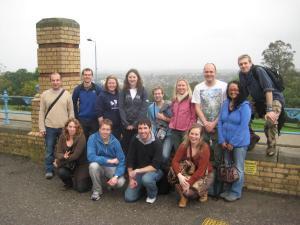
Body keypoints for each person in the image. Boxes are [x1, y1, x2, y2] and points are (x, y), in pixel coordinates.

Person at [238, 54, 285, 156]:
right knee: (241, 114)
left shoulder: (258, 71)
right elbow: (244, 93)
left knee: (270, 120)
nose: (243, 66)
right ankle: (252, 137)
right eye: (241, 64)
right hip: (258, 100)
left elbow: (268, 90)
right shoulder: (241, 75)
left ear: (250, 63)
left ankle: (271, 145)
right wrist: (239, 105)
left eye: (245, 63)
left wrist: (269, 110)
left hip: (274, 98)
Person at [191, 63, 227, 197]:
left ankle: (216, 188)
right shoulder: (198, 87)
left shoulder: (223, 86)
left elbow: (224, 107)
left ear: (215, 72)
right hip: (202, 127)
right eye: (206, 71)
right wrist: (206, 123)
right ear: (203, 72)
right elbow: (197, 107)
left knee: (218, 157)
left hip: (219, 127)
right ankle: (202, 184)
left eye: (211, 71)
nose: (209, 74)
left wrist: (214, 123)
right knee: (201, 156)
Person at [217, 80, 251, 202]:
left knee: (238, 168)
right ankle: (228, 189)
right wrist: (222, 140)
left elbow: (243, 126)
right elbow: (220, 122)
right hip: (225, 142)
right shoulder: (225, 103)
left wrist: (233, 143)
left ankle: (236, 192)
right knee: (227, 167)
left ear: (240, 91)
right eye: (231, 89)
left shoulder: (245, 106)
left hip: (239, 143)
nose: (233, 91)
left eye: (236, 89)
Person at [39, 72, 74, 179]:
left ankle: (65, 168)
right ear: (50, 81)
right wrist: (41, 127)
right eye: (53, 80)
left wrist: (71, 127)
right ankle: (49, 169)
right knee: (49, 150)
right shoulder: (44, 95)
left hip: (64, 128)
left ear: (60, 81)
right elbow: (41, 112)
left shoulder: (67, 94)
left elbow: (71, 111)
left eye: (57, 80)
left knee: (66, 150)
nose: (55, 82)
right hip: (49, 127)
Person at [171, 123, 213, 208]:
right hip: (190, 170)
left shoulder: (204, 148)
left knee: (189, 193)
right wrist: (180, 176)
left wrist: (188, 183)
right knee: (172, 172)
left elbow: (201, 170)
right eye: (192, 133)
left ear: (201, 136)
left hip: (204, 174)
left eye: (196, 134)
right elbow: (175, 161)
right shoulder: (184, 145)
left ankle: (203, 192)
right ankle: (183, 197)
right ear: (188, 134)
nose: (193, 136)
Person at [124, 119, 163, 204]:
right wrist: (131, 179)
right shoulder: (135, 139)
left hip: (154, 171)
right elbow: (130, 159)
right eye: (140, 128)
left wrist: (137, 171)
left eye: (145, 128)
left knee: (147, 179)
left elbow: (155, 166)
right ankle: (142, 188)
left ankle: (152, 194)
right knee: (129, 198)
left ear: (150, 128)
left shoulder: (157, 143)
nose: (142, 131)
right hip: (140, 171)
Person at [87, 119, 126, 201]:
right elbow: (91, 156)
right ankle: (97, 190)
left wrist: (116, 176)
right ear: (99, 129)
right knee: (93, 166)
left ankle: (110, 181)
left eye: (107, 129)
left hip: (111, 168)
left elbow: (122, 160)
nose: (105, 132)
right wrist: (108, 160)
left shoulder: (115, 142)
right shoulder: (92, 138)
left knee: (120, 182)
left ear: (111, 131)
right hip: (99, 165)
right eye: (103, 129)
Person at [54, 118, 91, 192]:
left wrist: (59, 162)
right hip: (69, 163)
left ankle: (89, 180)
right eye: (70, 126)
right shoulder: (62, 136)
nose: (72, 129)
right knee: (60, 171)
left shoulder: (81, 137)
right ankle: (69, 184)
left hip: (81, 164)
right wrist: (63, 156)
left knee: (80, 189)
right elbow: (57, 153)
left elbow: (75, 156)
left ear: (77, 128)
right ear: (66, 127)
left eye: (74, 127)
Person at [119, 69, 148, 153]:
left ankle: (137, 165)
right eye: (130, 77)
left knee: (138, 146)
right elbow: (121, 108)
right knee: (126, 147)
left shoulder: (143, 90)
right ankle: (127, 165)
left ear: (137, 78)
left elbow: (144, 108)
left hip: (139, 125)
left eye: (134, 77)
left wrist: (135, 124)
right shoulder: (123, 91)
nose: (132, 79)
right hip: (125, 126)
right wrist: (126, 124)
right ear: (127, 78)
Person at [72, 68, 102, 139]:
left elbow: (101, 104)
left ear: (92, 76)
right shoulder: (77, 89)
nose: (87, 76)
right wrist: (76, 117)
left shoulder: (98, 89)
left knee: (93, 140)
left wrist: (100, 117)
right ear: (82, 76)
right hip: (82, 120)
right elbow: (73, 104)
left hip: (94, 120)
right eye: (85, 75)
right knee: (82, 141)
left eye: (89, 75)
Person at [169, 78, 196, 152]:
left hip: (185, 131)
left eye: (183, 85)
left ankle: (187, 163)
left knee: (186, 150)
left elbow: (193, 117)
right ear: (176, 87)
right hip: (174, 130)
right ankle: (178, 163)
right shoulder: (174, 99)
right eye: (179, 85)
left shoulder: (190, 99)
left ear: (187, 87)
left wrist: (189, 129)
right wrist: (172, 122)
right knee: (177, 150)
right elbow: (173, 113)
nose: (181, 87)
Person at [147, 86, 172, 163]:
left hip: (169, 134)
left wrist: (163, 118)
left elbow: (176, 121)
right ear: (153, 95)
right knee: (152, 152)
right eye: (155, 94)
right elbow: (152, 123)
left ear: (163, 94)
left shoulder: (170, 105)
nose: (157, 95)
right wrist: (152, 136)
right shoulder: (151, 108)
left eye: (159, 93)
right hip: (158, 133)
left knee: (165, 155)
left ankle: (162, 169)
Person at [95, 75, 122, 139]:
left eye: (113, 83)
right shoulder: (102, 95)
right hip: (107, 128)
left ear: (116, 84)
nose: (111, 85)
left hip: (118, 127)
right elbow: (99, 113)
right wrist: (102, 128)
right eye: (109, 83)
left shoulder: (120, 94)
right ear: (106, 84)